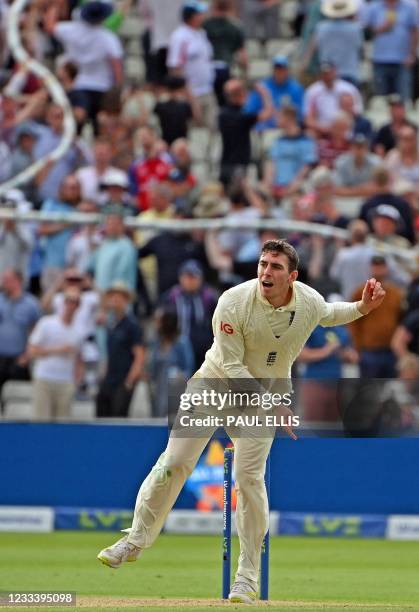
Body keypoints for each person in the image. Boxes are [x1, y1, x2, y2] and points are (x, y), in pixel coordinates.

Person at [97, 239, 386, 603]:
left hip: (263, 398)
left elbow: (329, 313)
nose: (266, 271)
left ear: (292, 276)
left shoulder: (308, 300)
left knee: (249, 480)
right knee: (174, 463)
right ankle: (135, 539)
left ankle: (246, 579)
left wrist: (362, 306)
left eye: (276, 267)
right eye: (263, 264)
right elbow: (232, 366)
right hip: (215, 384)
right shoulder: (233, 301)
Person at [28, 287, 84, 420]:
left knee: (63, 426)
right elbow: (32, 350)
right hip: (44, 379)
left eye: (75, 302)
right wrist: (58, 350)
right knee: (41, 422)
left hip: (65, 382)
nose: (71, 305)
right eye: (69, 301)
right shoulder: (46, 323)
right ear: (63, 302)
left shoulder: (78, 331)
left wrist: (76, 381)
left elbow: (79, 359)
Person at [96, 282, 146, 418]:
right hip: (110, 378)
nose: (114, 301)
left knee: (118, 416)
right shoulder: (111, 324)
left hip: (123, 380)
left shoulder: (132, 325)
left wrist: (130, 380)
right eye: (112, 297)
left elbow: (139, 355)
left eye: (118, 298)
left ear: (125, 301)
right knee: (101, 412)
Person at [350, 254, 403, 377]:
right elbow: (353, 321)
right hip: (369, 350)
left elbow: (400, 319)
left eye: (381, 267)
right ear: (370, 268)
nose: (378, 270)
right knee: (370, 389)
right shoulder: (361, 292)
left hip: (390, 351)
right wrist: (356, 348)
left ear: (386, 268)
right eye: (375, 267)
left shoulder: (396, 293)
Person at [0, 269, 41, 403]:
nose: (3, 283)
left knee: (17, 399)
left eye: (6, 280)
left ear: (17, 281)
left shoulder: (31, 304)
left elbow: (37, 331)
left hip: (19, 358)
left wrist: (28, 354)